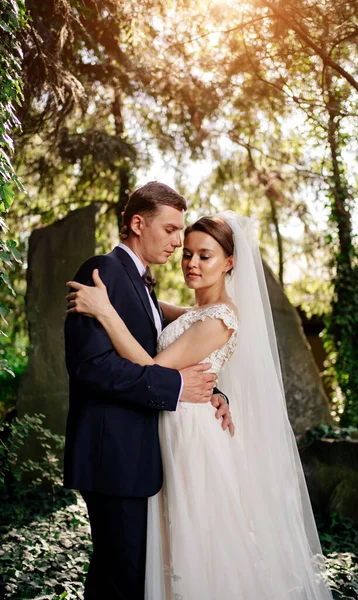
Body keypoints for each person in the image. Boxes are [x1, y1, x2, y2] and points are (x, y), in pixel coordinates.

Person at [66, 211, 333, 599]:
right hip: (168, 426)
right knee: (163, 544)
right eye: (187, 253)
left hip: (191, 437)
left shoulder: (221, 318)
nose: (191, 262)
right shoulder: (197, 314)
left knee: (195, 540)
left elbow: (155, 368)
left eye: (204, 256)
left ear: (229, 262)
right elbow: (153, 309)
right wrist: (216, 392)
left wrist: (105, 312)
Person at [63, 182, 233, 600]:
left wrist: (213, 389)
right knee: (124, 578)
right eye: (172, 230)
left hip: (139, 455)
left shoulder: (141, 281)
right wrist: (176, 386)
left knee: (117, 576)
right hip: (112, 453)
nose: (179, 242)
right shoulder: (102, 272)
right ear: (138, 224)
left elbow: (191, 334)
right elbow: (91, 366)